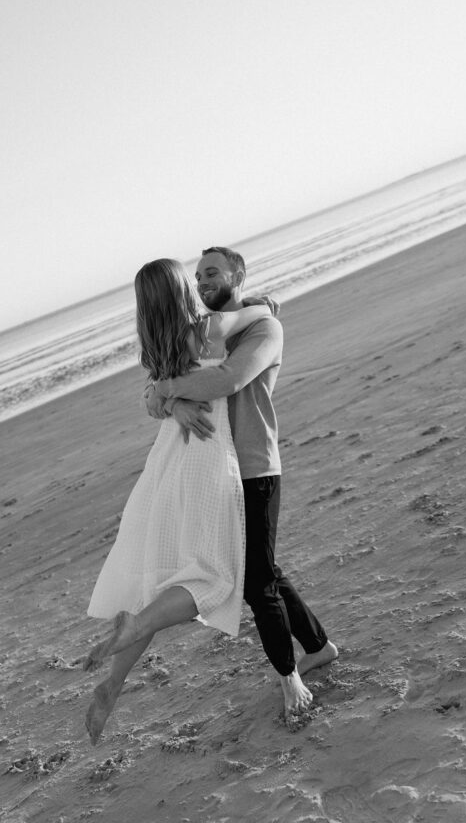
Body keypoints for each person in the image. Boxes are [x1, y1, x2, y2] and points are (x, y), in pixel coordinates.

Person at [82, 258, 274, 744]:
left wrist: (168, 400)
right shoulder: (206, 330)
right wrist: (263, 305)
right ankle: (139, 624)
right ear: (180, 290)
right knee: (213, 579)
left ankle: (113, 683)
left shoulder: (156, 345)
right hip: (208, 460)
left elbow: (152, 397)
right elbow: (259, 316)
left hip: (164, 466)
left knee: (157, 581)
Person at [146, 246, 338, 722]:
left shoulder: (263, 328)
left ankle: (288, 676)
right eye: (197, 277)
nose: (202, 281)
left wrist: (169, 392)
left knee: (255, 582)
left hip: (254, 467)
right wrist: (168, 400)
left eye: (212, 272)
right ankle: (318, 646)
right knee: (264, 570)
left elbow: (227, 381)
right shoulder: (202, 332)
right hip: (214, 472)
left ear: (238, 274)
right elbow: (152, 389)